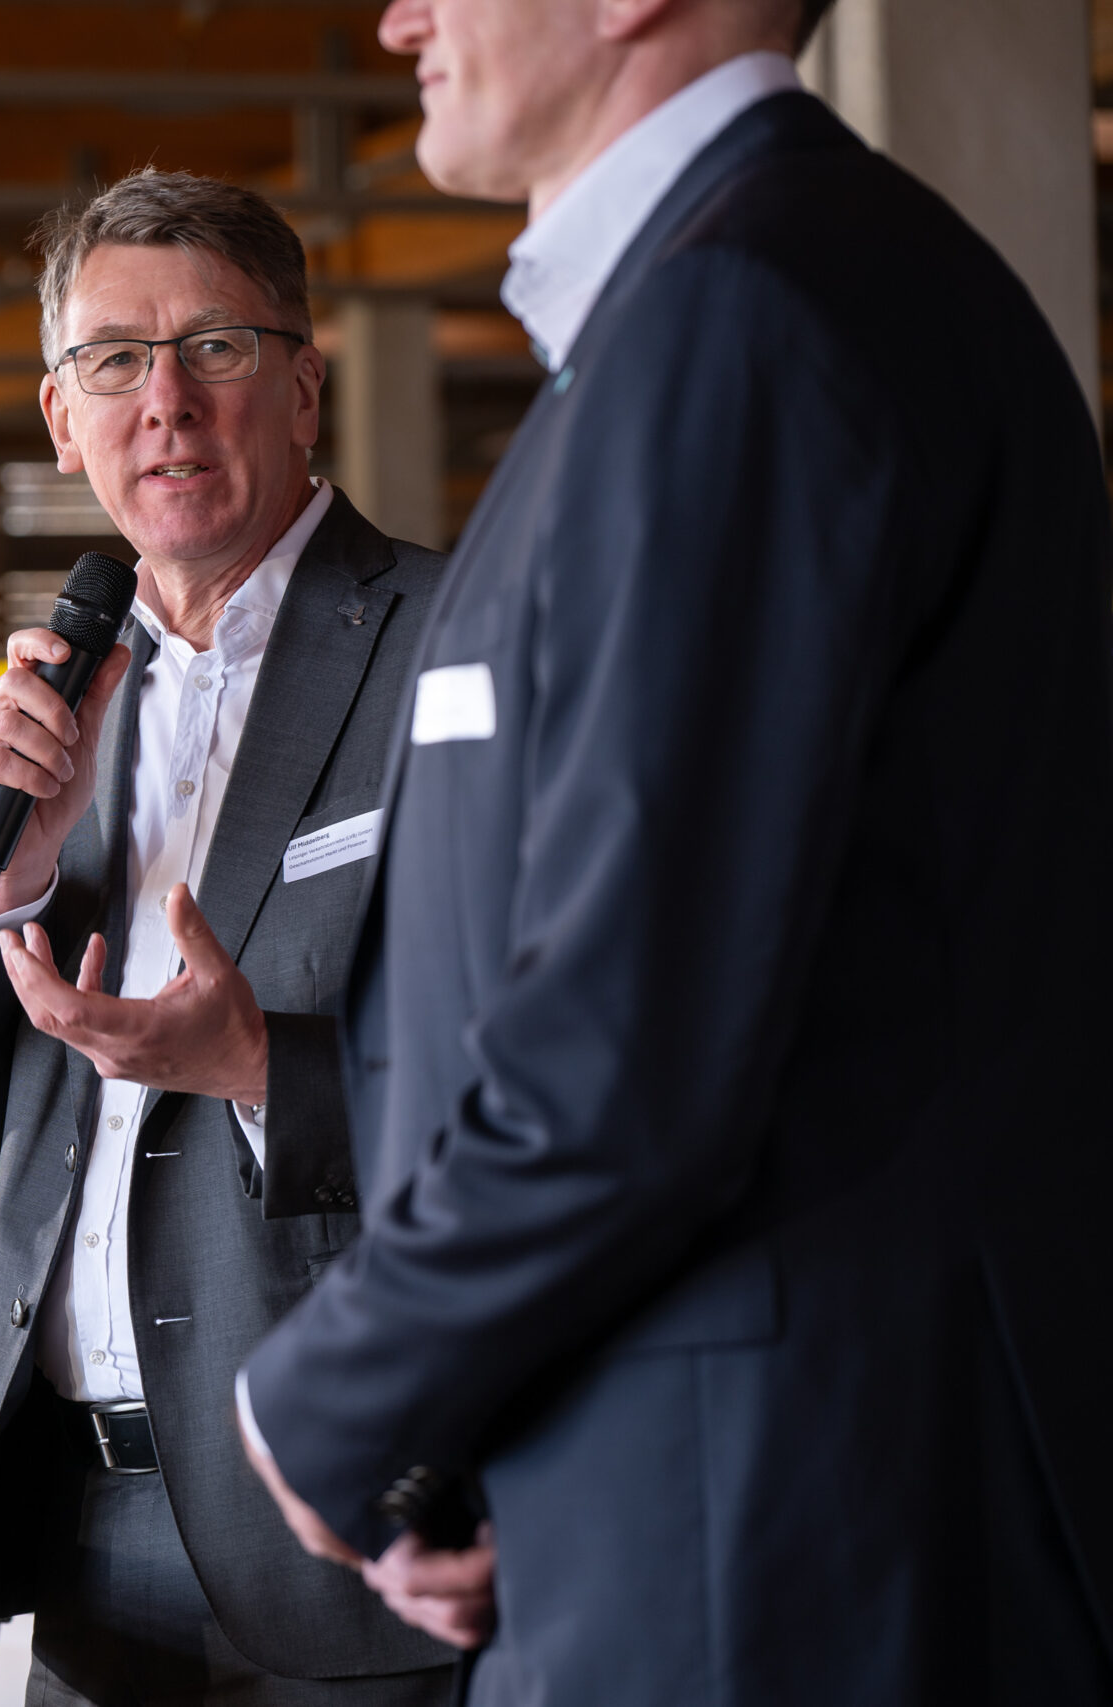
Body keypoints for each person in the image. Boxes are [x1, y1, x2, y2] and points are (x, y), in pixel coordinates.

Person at [236, 0, 1113, 1699]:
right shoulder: (732, 301)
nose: (396, 17)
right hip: (703, 1482)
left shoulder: (744, 319)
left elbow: (631, 1031)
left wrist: (333, 1399)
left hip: (783, 1525)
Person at [0, 170, 455, 1705]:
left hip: (351, 1516)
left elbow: (559, 1078)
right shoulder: (53, 704)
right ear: (61, 418)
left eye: (216, 347)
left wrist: (263, 1065)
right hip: (67, 1525)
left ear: (305, 387)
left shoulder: (458, 644)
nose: (166, 402)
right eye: (115, 359)